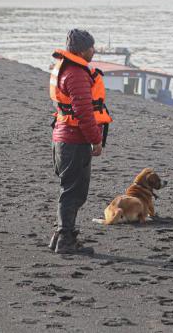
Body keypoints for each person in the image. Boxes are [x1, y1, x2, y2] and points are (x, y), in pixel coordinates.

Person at [49, 29, 111, 254]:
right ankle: (66, 240)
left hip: (62, 137)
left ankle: (60, 236)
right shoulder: (76, 73)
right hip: (73, 141)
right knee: (74, 192)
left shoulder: (66, 69)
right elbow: (84, 113)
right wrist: (96, 140)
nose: (94, 51)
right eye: (92, 47)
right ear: (84, 49)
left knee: (69, 189)